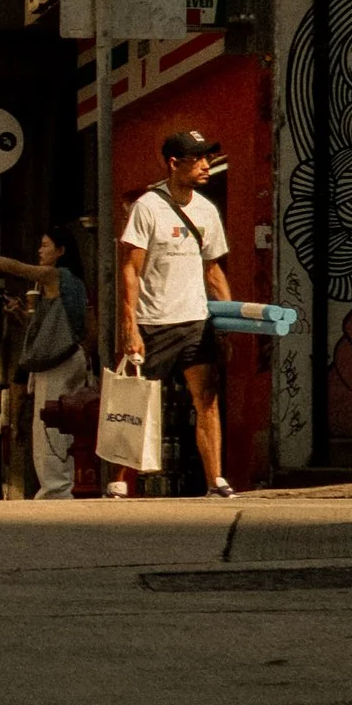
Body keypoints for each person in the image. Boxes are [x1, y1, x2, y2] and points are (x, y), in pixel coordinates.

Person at [116, 126, 234, 498]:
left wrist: (228, 322)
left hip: (195, 322)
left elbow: (213, 270)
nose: (205, 165)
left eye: (207, 158)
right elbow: (130, 269)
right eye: (197, 158)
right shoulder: (147, 207)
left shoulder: (206, 211)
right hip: (153, 322)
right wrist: (130, 326)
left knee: (208, 399)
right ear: (173, 163)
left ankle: (216, 479)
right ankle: (120, 478)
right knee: (137, 403)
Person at [0, 220, 96, 499]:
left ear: (60, 251)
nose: (40, 251)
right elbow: (85, 326)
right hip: (72, 358)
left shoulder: (56, 276)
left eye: (45, 245)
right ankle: (61, 485)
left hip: (56, 364)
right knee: (66, 422)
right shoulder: (76, 284)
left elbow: (20, 268)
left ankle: (56, 488)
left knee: (49, 424)